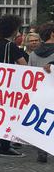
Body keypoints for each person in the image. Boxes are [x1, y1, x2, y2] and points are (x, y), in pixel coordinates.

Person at [0, 14, 27, 157]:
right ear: (13, 29)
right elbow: (23, 65)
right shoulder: (10, 45)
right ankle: (5, 146)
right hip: (9, 84)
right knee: (7, 115)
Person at [27, 22, 54, 163]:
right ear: (52, 34)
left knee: (42, 121)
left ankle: (42, 151)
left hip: (40, 93)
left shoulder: (33, 54)